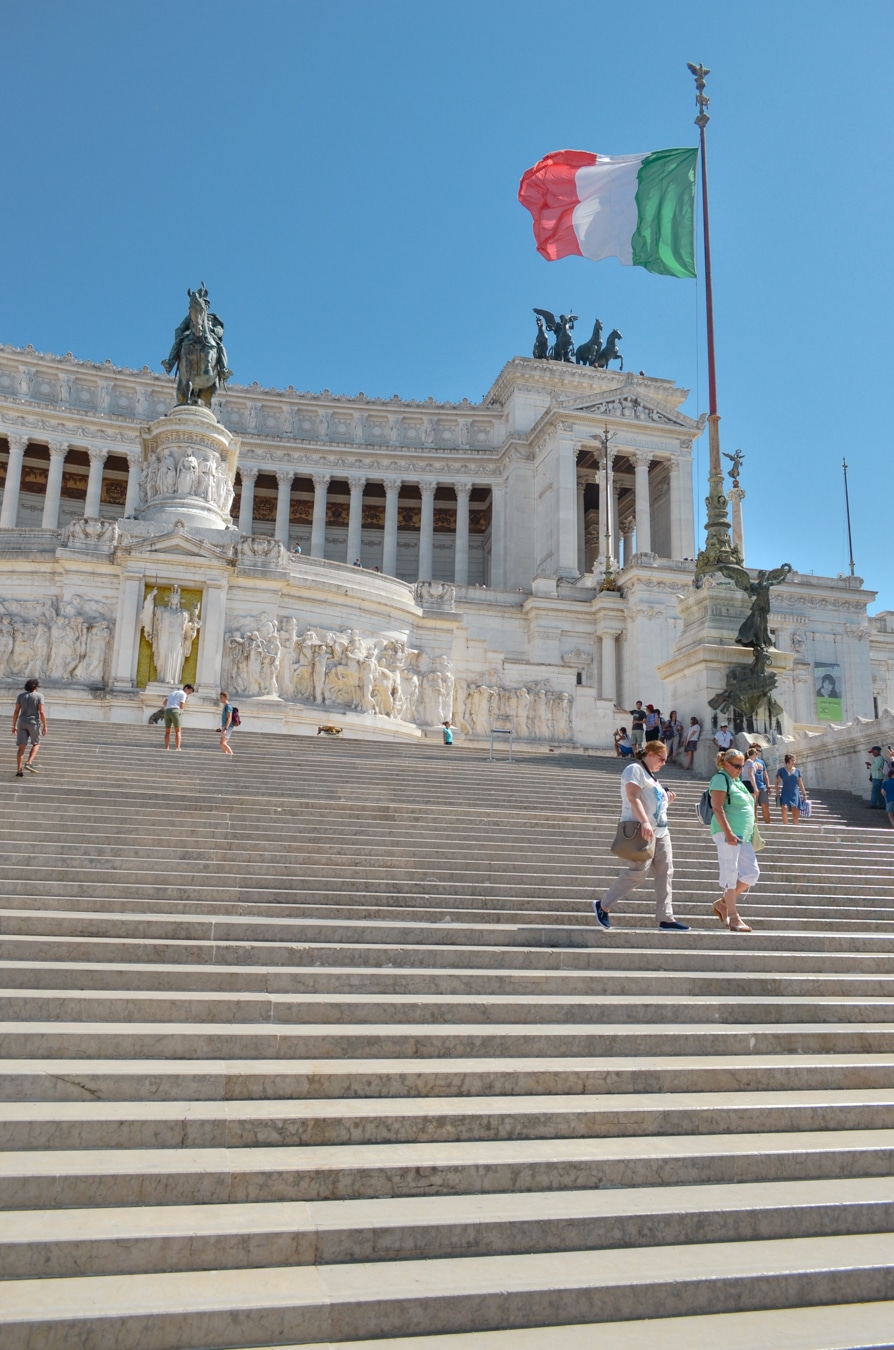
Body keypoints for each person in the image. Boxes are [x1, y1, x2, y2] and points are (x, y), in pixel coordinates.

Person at [593, 740, 689, 932]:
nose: (663, 762)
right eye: (661, 758)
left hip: (661, 832)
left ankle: (666, 917)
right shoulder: (634, 769)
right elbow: (633, 796)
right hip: (641, 829)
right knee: (638, 872)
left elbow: (654, 804)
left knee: (665, 872)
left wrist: (667, 801)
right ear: (650, 754)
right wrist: (644, 822)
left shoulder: (653, 778)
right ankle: (603, 905)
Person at [709, 748, 758, 932]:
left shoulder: (737, 782)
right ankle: (734, 917)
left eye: (742, 766)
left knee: (751, 873)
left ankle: (722, 904)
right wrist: (728, 833)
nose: (740, 770)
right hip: (727, 834)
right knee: (730, 875)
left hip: (743, 835)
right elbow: (717, 807)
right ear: (726, 764)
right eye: (737, 766)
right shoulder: (720, 779)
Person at [12, 677, 47, 777]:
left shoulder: (21, 696)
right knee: (36, 743)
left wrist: (13, 725)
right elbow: (41, 711)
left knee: (21, 747)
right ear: (36, 686)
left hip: (21, 722)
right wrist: (45, 725)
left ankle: (19, 771)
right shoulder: (39, 696)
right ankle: (29, 763)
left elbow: (16, 712)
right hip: (33, 723)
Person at [775, 753, 807, 824]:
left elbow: (800, 783)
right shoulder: (781, 771)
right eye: (792, 760)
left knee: (795, 812)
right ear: (788, 761)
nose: (794, 762)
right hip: (785, 792)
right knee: (784, 808)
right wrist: (777, 793)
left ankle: (796, 828)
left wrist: (804, 794)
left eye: (794, 760)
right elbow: (776, 782)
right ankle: (786, 826)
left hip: (795, 793)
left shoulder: (797, 771)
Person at [163, 683, 194, 751]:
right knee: (178, 730)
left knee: (167, 731)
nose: (189, 693)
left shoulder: (173, 692)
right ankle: (178, 747)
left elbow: (164, 702)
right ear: (186, 688)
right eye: (189, 691)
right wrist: (181, 712)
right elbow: (182, 704)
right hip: (175, 711)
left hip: (167, 711)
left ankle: (166, 747)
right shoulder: (183, 694)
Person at [751, 745, 772, 825]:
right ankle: (755, 824)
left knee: (765, 806)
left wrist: (768, 786)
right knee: (754, 807)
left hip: (762, 786)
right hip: (752, 786)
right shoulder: (748, 761)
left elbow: (765, 775)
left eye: (759, 750)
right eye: (756, 750)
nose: (758, 752)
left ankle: (768, 824)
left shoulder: (761, 762)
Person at [219, 691, 235, 756]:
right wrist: (221, 727)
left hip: (228, 727)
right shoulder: (226, 706)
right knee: (221, 743)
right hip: (225, 726)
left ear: (225, 698)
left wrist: (225, 729)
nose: (220, 699)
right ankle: (225, 755)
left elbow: (229, 718)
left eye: (221, 697)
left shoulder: (228, 706)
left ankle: (231, 755)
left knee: (223, 743)